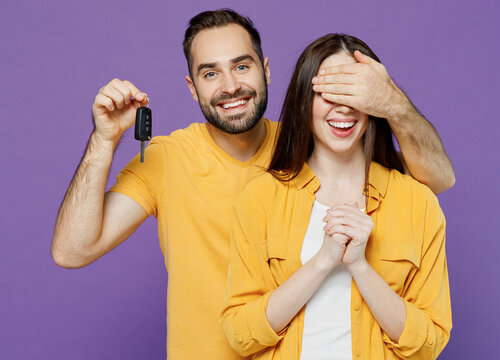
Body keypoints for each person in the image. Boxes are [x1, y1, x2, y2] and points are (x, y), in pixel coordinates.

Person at [51, 9, 454, 360]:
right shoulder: (167, 159)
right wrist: (104, 140)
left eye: (242, 66)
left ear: (266, 69)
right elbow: (72, 251)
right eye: (211, 73)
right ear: (192, 88)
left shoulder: (314, 147)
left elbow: (434, 179)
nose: (230, 86)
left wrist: (391, 102)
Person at [221, 34, 451, 359]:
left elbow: (428, 343)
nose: (343, 106)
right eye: (329, 92)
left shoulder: (418, 203)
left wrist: (359, 266)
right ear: (304, 101)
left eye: (355, 92)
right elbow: (241, 335)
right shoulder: (259, 198)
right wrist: (322, 262)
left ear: (376, 106)